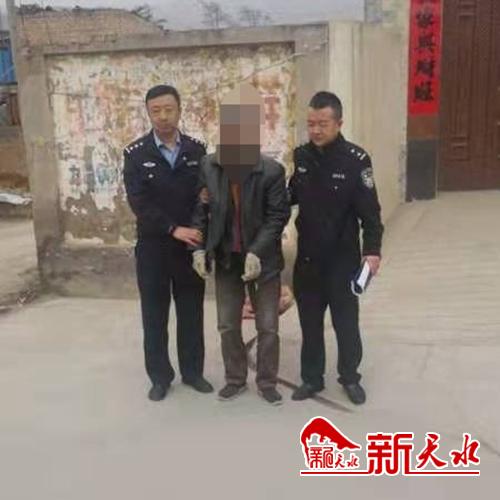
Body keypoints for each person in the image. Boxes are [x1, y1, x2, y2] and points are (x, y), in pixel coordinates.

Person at [191, 83, 290, 405]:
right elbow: (201, 210)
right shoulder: (209, 166)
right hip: (227, 259)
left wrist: (257, 252)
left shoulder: (271, 171)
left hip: (264, 262)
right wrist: (198, 247)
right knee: (227, 324)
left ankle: (267, 382)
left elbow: (278, 216)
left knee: (268, 326)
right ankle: (235, 379)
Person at [289, 91, 384, 405]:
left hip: (342, 261)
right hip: (307, 259)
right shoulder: (301, 156)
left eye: (323, 124)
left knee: (346, 324)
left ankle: (350, 377)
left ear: (339, 123)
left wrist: (372, 252)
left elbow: (371, 214)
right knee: (310, 324)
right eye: (311, 124)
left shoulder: (356, 160)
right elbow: (290, 195)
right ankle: (311, 378)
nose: (315, 130)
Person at [123, 84, 213, 401]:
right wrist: (173, 228)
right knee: (154, 316)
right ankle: (160, 377)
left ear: (179, 110)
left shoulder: (196, 151)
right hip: (154, 249)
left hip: (189, 249)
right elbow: (139, 203)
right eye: (156, 110)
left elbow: (203, 197)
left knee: (191, 313)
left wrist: (197, 232)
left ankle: (193, 372)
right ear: (148, 113)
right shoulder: (136, 154)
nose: (163, 116)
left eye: (168, 109)